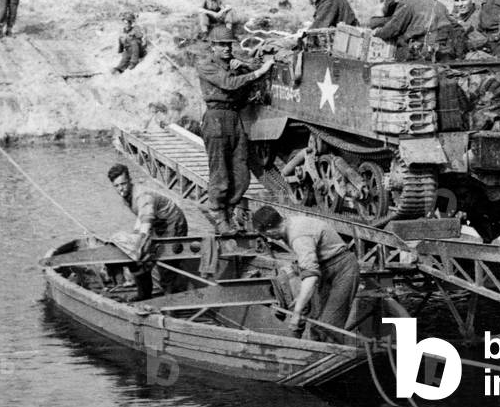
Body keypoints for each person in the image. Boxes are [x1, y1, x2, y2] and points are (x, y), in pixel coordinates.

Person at [196, 26, 275, 234]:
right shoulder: (206, 66)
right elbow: (229, 84)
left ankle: (228, 213)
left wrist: (245, 67)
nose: (227, 49)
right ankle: (219, 216)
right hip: (215, 118)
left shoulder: (233, 65)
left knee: (241, 173)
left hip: (234, 117)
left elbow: (241, 81)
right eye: (221, 45)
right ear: (212, 47)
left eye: (229, 44)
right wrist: (258, 71)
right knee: (219, 171)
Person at [251, 205, 359, 340]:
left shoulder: (298, 236)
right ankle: (313, 355)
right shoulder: (289, 223)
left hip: (343, 269)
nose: (269, 239)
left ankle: (330, 357)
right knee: (316, 322)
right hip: (326, 267)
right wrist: (302, 297)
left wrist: (296, 313)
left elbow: (311, 277)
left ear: (271, 230)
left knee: (329, 326)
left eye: (267, 235)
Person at [106, 163, 190, 300]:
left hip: (173, 223)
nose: (121, 188)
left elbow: (146, 219)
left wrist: (140, 241)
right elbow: (140, 218)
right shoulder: (127, 197)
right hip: (157, 224)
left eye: (123, 184)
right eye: (117, 186)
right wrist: (135, 241)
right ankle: (144, 294)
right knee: (140, 259)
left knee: (166, 263)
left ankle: (170, 304)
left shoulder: (142, 195)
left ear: (129, 180)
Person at [370, 0, 463, 61]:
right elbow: (456, 26)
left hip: (421, 55)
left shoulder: (406, 3)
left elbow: (391, 30)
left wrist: (376, 32)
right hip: (442, 53)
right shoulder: (434, 2)